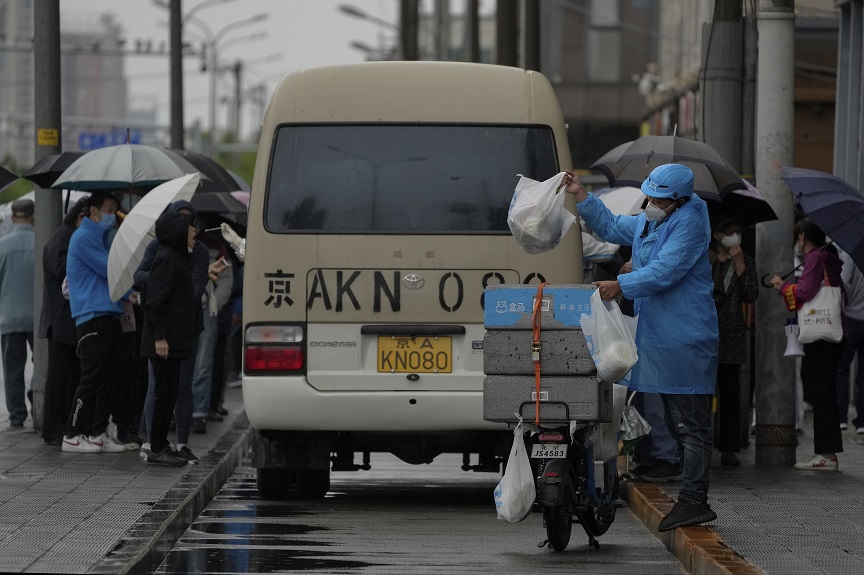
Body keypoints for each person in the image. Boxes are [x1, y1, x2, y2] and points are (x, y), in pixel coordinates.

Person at [565, 163, 719, 531]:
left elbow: (665, 270)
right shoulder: (657, 220)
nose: (649, 202)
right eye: (649, 194)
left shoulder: (690, 223)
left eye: (658, 198)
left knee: (691, 424)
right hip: (663, 337)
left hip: (686, 337)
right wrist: (582, 196)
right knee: (676, 418)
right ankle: (691, 497)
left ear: (678, 200)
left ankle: (695, 500)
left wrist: (622, 284)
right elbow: (616, 226)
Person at [134, 200, 209, 464]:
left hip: (176, 339)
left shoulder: (178, 257)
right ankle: (155, 446)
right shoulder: (167, 258)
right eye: (190, 230)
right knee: (162, 390)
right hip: (164, 341)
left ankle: (161, 443)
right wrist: (159, 337)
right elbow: (154, 301)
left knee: (170, 391)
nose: (194, 234)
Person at [771, 217, 846, 470]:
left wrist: (783, 287)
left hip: (820, 335)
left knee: (820, 391)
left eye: (798, 236)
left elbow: (804, 292)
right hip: (832, 332)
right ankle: (827, 452)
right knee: (824, 390)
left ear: (803, 235)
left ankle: (826, 455)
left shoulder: (815, 257)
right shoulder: (831, 256)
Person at [62, 193, 129, 453]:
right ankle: (72, 433)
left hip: (105, 313)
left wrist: (130, 292)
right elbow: (109, 270)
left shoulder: (98, 238)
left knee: (107, 378)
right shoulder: (84, 238)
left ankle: (98, 433)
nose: (113, 216)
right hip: (92, 316)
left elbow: (110, 278)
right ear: (94, 212)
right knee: (91, 377)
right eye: (110, 210)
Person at [709, 218, 758, 467]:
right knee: (703, 393)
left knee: (730, 392)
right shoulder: (704, 257)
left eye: (737, 232)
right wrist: (715, 261)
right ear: (718, 235)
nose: (734, 237)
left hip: (731, 334)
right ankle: (701, 446)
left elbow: (751, 294)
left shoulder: (746, 260)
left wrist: (739, 264)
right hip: (704, 332)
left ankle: (729, 448)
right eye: (729, 232)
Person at [39, 198, 86, 444]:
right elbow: (64, 274)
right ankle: (53, 429)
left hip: (63, 320)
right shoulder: (63, 240)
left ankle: (61, 427)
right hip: (61, 321)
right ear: (80, 217)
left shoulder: (66, 237)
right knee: (59, 378)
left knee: (67, 377)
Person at [0, 198, 35, 429]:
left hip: (9, 317)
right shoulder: (42, 241)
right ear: (34, 217)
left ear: (13, 218)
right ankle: (39, 401)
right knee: (43, 364)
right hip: (38, 318)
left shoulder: (2, 245)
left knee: (13, 369)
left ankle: (17, 417)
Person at [835, 249, 864, 436]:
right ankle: (862, 421)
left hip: (851, 319)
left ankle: (841, 418)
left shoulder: (854, 254)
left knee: (841, 368)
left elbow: (843, 283)